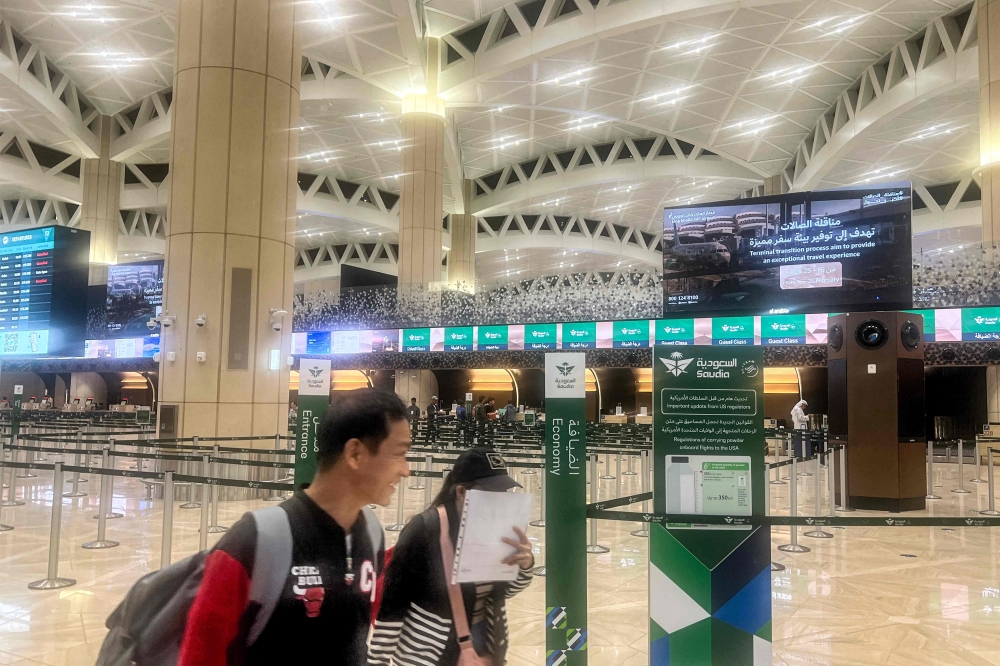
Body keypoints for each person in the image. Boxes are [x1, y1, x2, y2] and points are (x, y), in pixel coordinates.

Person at [178, 388, 412, 666]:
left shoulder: (372, 533)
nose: (406, 469)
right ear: (355, 454)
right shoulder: (255, 541)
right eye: (399, 453)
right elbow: (200, 656)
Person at [368, 448, 534, 666]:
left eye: (503, 492)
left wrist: (525, 565)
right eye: (490, 492)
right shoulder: (424, 529)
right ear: (461, 492)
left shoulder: (499, 531)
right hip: (427, 651)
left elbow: (503, 592)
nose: (498, 499)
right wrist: (377, 660)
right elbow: (393, 603)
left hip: (484, 646)